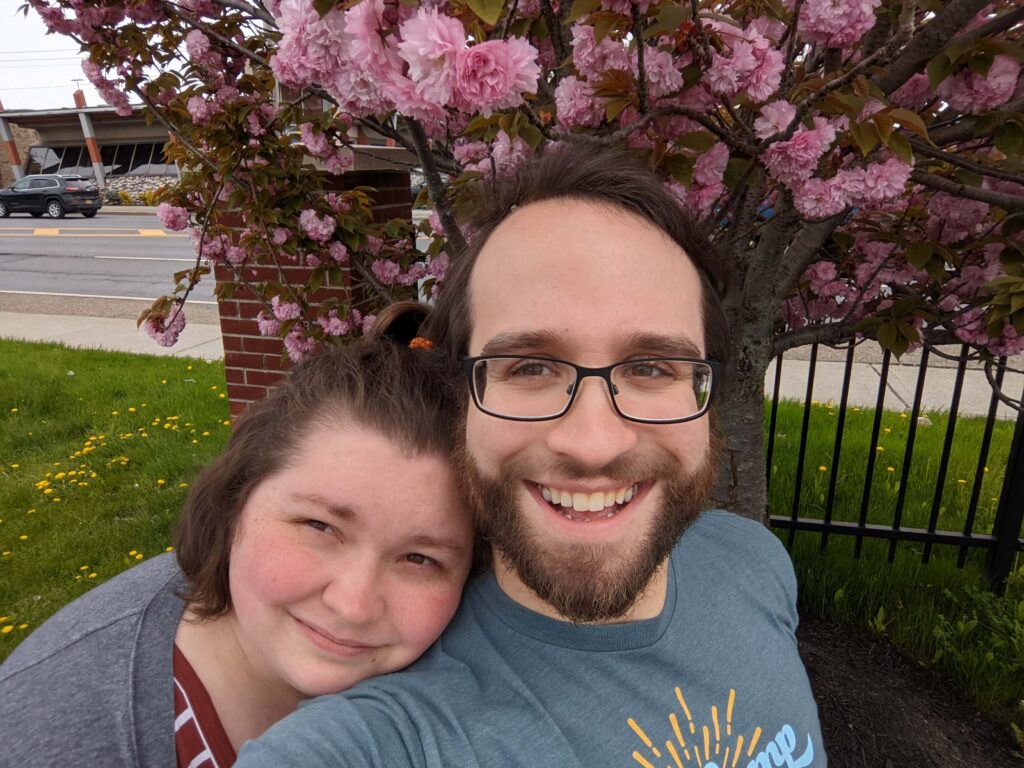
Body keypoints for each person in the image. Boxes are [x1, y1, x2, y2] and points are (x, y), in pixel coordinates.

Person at [236, 145, 826, 766]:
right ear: (459, 400)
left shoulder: (753, 560)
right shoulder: (389, 739)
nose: (595, 442)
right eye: (531, 366)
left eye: (652, 366)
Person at [0, 317, 476, 768]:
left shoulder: (465, 677)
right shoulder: (58, 737)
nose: (353, 605)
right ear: (234, 501)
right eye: (320, 527)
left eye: (419, 558)